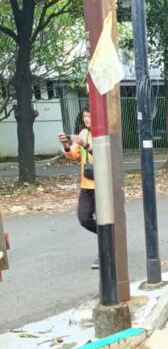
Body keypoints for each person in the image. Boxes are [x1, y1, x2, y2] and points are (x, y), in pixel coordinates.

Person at [58, 106, 98, 269]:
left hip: (103, 185)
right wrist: (67, 145)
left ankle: (106, 250)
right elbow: (74, 155)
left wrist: (87, 145)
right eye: (84, 117)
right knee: (84, 218)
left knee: (104, 220)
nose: (87, 119)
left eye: (89, 116)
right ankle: (109, 237)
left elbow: (104, 154)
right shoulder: (83, 133)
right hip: (86, 184)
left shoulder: (104, 133)